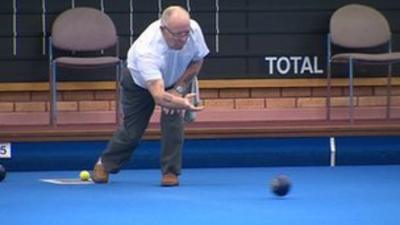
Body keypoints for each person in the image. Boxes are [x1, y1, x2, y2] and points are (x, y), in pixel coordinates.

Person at [92, 6, 209, 186]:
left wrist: (178, 89)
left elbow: (197, 61)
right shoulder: (147, 51)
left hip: (175, 79)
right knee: (133, 131)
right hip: (140, 83)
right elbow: (158, 95)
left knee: (173, 124)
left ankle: (170, 173)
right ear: (163, 30)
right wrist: (183, 104)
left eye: (186, 33)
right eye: (179, 34)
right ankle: (105, 165)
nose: (184, 38)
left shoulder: (192, 28)